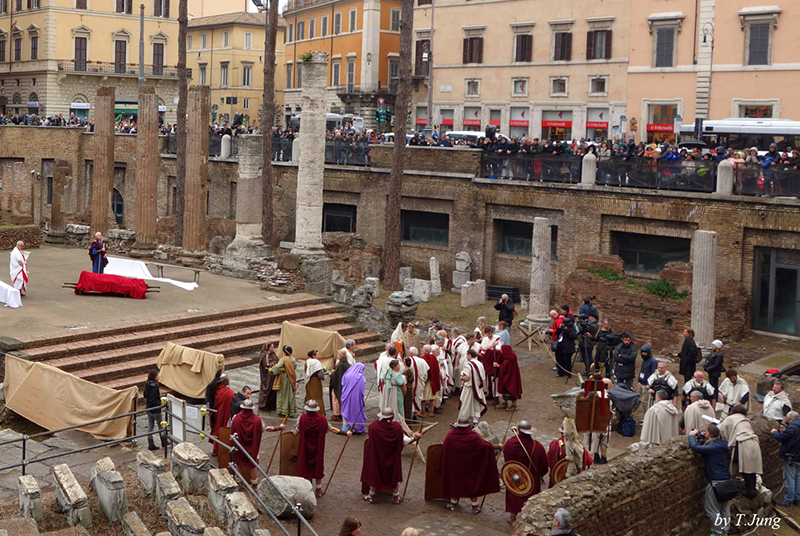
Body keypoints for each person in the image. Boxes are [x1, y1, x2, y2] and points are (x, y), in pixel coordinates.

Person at [440, 417, 501, 514]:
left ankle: (453, 503)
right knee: (471, 484)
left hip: (455, 467)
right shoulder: (473, 437)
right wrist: (498, 446)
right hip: (469, 467)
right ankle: (474, 506)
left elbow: (444, 448)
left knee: (455, 482)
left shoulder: (450, 435)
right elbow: (485, 447)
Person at [361, 407, 420, 504]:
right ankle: (396, 497)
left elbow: (369, 439)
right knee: (393, 474)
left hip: (377, 457)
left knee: (375, 472)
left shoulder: (373, 427)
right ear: (392, 417)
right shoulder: (396, 428)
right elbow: (406, 441)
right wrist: (415, 437)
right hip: (392, 458)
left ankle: (371, 495)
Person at [293, 400, 351, 497]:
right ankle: (318, 490)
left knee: (305, 466)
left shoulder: (302, 419)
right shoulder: (322, 420)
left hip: (304, 448)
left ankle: (307, 489)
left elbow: (295, 432)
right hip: (317, 449)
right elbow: (332, 429)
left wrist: (284, 430)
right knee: (317, 466)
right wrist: (345, 433)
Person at [688, 424, 733, 536]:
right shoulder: (723, 444)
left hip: (716, 482)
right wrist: (703, 440)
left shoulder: (713, 448)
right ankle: (725, 531)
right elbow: (706, 450)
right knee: (724, 509)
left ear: (708, 434)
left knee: (712, 510)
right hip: (727, 480)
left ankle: (717, 533)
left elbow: (696, 448)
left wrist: (691, 436)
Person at [501, 420, 548, 525]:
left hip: (514, 477)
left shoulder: (509, 444)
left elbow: (507, 462)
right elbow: (543, 467)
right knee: (529, 497)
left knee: (515, 494)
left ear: (518, 430)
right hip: (530, 480)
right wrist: (538, 475)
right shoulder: (538, 447)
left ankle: (513, 515)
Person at [231, 399, 284, 486]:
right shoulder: (257, 420)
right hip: (253, 447)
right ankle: (254, 485)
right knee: (253, 465)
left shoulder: (235, 418)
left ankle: (238, 482)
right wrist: (279, 427)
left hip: (240, 446)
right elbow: (266, 428)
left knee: (239, 464)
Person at [718, 405, 762, 499]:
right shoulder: (745, 420)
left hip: (743, 443)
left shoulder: (730, 418)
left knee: (746, 468)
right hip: (754, 442)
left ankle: (750, 492)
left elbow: (721, 429)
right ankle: (751, 489)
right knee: (751, 469)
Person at [547, 418, 592, 487]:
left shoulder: (553, 445)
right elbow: (589, 462)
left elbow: (548, 461)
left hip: (556, 482)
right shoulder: (580, 447)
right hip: (574, 484)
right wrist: (590, 455)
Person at [771, 411, 800, 506]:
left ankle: (789, 500)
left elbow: (782, 437)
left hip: (791, 456)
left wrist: (774, 432)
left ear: (791, 419)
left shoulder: (792, 428)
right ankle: (797, 498)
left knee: (790, 478)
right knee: (798, 478)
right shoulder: (796, 427)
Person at [205, 371, 234, 455]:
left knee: (216, 429)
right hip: (222, 414)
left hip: (215, 414)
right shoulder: (228, 392)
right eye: (227, 378)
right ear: (224, 381)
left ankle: (215, 449)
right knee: (220, 430)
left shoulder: (215, 389)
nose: (229, 379)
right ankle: (218, 449)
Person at [459, 349, 487, 424]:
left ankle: (463, 420)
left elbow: (467, 378)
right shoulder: (480, 363)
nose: (466, 356)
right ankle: (475, 420)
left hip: (469, 388)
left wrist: (461, 377)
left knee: (466, 404)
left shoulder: (468, 365)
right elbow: (483, 376)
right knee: (476, 403)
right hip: (478, 387)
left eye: (467, 355)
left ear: (469, 355)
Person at [270, 346, 299, 417]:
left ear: (284, 352)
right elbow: (294, 366)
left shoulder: (283, 359)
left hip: (284, 378)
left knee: (283, 394)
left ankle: (283, 410)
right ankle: (291, 410)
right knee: (290, 393)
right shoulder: (293, 359)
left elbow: (277, 366)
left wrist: (272, 370)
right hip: (292, 377)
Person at [340, 362, 367, 434]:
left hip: (345, 396)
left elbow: (342, 383)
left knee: (346, 411)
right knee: (356, 412)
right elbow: (362, 389)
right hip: (356, 398)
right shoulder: (361, 377)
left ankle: (345, 427)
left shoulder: (347, 374)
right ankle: (356, 428)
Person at [496, 345, 522, 411]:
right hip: (511, 377)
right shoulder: (510, 356)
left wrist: (498, 365)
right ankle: (505, 402)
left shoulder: (508, 360)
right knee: (506, 390)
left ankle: (514, 405)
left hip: (510, 378)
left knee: (510, 390)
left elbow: (504, 368)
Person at [329, 350, 350, 421]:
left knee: (335, 398)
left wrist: (332, 373)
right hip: (344, 384)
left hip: (338, 384)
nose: (337, 356)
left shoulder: (340, 365)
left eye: (338, 354)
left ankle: (336, 413)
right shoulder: (347, 363)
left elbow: (336, 374)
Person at [635, 344, 657, 415]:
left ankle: (647, 417)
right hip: (641, 383)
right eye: (642, 352)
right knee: (640, 401)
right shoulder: (644, 360)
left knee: (645, 403)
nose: (643, 354)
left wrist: (648, 385)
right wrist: (639, 380)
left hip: (646, 385)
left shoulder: (653, 362)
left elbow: (653, 375)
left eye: (645, 352)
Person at [420, 345, 441, 417]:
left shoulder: (421, 358)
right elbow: (437, 369)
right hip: (432, 380)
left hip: (425, 381)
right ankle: (431, 411)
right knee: (432, 396)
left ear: (424, 350)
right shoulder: (433, 358)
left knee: (423, 397)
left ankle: (422, 412)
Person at [144, 370, 162, 451]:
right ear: (155, 377)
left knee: (150, 426)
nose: (159, 377)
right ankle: (164, 441)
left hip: (149, 408)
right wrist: (160, 402)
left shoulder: (147, 384)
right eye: (158, 376)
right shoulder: (154, 387)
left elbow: (145, 395)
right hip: (155, 409)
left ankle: (150, 443)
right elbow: (154, 399)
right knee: (161, 426)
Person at [304, 350, 326, 415]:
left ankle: (308, 411)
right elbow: (321, 375)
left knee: (309, 395)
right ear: (314, 356)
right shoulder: (316, 363)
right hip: (315, 381)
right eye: (317, 354)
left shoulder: (307, 361)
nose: (319, 356)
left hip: (309, 381)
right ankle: (319, 413)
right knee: (317, 397)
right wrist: (324, 371)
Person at [258, 342, 279, 412]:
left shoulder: (273, 354)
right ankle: (263, 405)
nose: (272, 349)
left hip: (273, 375)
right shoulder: (265, 355)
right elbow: (266, 365)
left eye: (273, 347)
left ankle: (271, 404)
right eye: (271, 347)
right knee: (266, 390)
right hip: (267, 376)